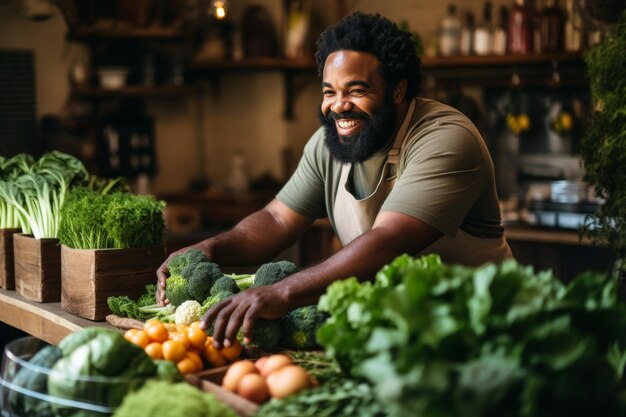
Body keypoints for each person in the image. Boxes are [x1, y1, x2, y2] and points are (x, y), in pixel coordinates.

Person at [156, 11, 512, 348]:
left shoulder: (445, 138)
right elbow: (278, 219)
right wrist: (211, 248)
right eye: (329, 92)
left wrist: (283, 292)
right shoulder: (329, 145)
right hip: (398, 333)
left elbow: (388, 242)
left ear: (398, 90)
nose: (338, 106)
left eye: (356, 90)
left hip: (476, 332)